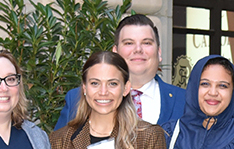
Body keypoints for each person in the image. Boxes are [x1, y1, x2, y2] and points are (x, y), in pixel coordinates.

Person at [55, 14, 185, 130]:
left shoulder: (185, 101)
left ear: (159, 52)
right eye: (129, 43)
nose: (138, 49)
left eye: (146, 43)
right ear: (115, 53)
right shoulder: (77, 99)